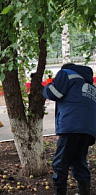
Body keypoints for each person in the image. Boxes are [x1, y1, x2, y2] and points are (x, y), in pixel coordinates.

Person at [42, 63, 96, 195]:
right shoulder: (89, 85)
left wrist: (47, 86)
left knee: (61, 163)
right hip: (88, 128)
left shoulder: (65, 72)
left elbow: (54, 93)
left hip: (72, 124)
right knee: (79, 161)